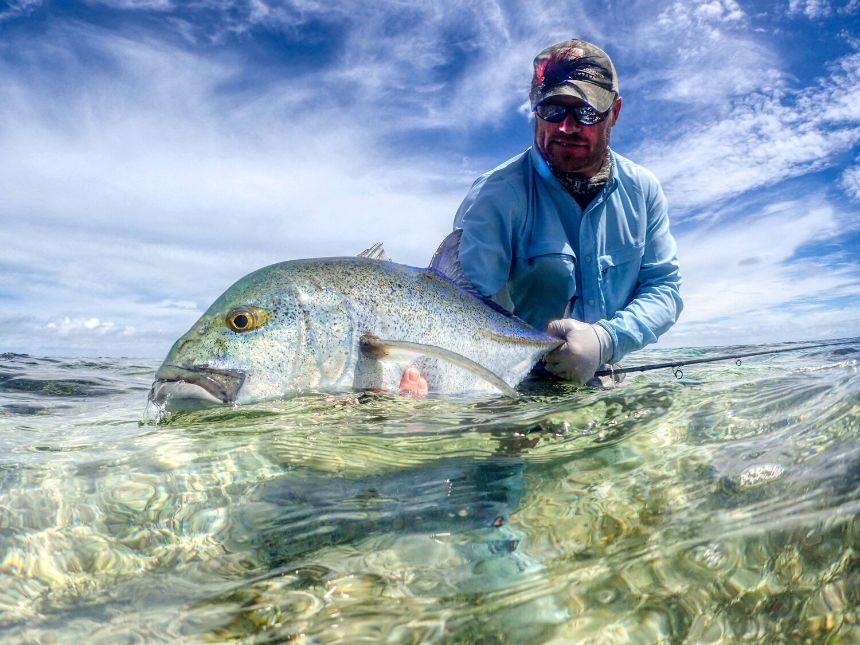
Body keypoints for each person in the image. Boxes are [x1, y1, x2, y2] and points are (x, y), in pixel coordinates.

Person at [452, 38, 683, 385]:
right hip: (517, 392)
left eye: (587, 112)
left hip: (610, 376)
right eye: (553, 110)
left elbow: (663, 288)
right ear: (534, 107)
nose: (567, 127)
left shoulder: (643, 190)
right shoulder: (494, 196)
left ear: (615, 113)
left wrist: (606, 340)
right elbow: (463, 310)